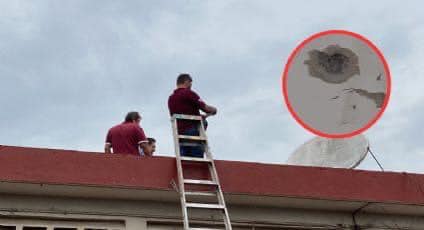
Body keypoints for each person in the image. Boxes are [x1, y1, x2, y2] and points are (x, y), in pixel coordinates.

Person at [168, 73, 217, 157]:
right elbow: (205, 108)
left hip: (179, 135)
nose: (191, 85)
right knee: (197, 161)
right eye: (190, 82)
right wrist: (214, 110)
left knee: (186, 163)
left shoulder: (171, 98)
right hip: (192, 132)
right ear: (186, 81)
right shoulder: (189, 93)